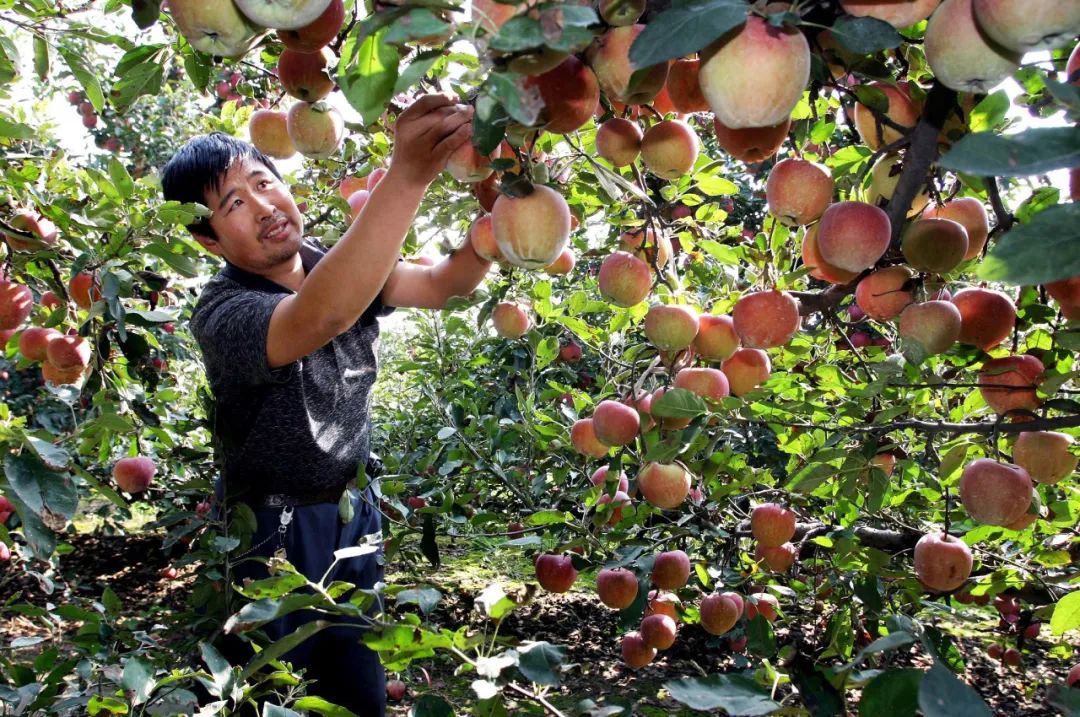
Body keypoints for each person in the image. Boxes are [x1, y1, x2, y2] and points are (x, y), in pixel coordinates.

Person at [160, 93, 491, 714]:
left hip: (353, 515)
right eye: (233, 203)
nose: (262, 206)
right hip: (272, 532)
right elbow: (322, 313)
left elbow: (443, 284)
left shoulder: (337, 264)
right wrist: (408, 174)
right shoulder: (224, 312)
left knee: (358, 690)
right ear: (208, 241)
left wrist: (495, 224)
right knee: (275, 698)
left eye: (264, 183)